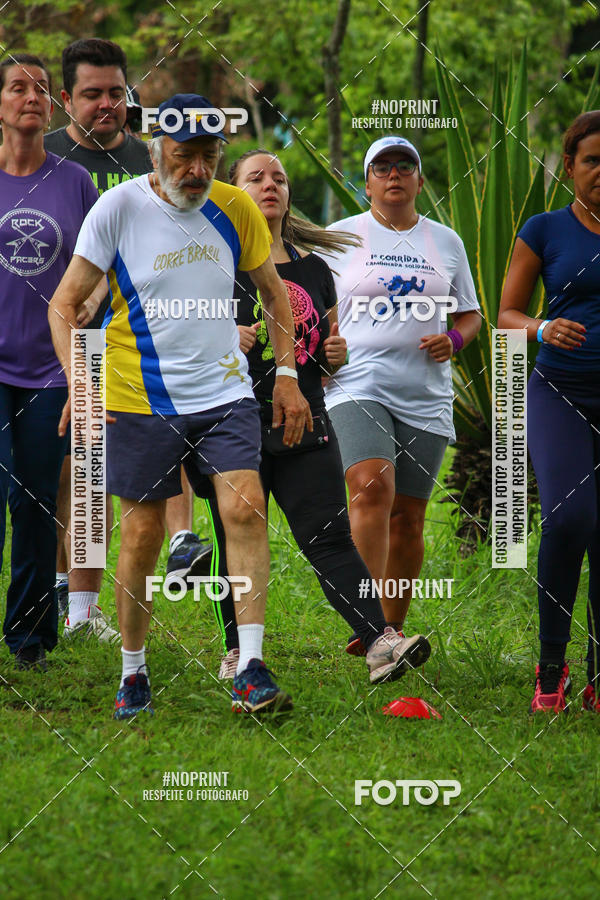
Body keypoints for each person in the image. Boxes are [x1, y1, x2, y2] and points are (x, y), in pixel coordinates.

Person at [49, 93, 313, 718]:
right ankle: (133, 671)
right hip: (137, 396)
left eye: (209, 157)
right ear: (155, 150)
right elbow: (65, 305)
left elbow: (275, 296)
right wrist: (80, 383)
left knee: (244, 508)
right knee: (142, 534)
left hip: (224, 391)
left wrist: (287, 376)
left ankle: (250, 667)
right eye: (184, 156)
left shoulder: (236, 207)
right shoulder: (117, 208)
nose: (197, 170)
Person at [207, 149, 432, 684]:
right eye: (256, 178)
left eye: (279, 179)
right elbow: (176, 331)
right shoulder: (212, 261)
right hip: (231, 419)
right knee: (235, 533)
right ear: (233, 192)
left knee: (329, 535)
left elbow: (327, 348)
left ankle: (379, 642)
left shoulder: (314, 269)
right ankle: (237, 651)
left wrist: (335, 354)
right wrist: (220, 335)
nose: (270, 185)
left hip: (303, 418)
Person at [45, 39, 210, 634]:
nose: (106, 105)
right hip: (58, 330)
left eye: (117, 92)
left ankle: (96, 600)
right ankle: (67, 592)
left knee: (118, 465)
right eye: (92, 94)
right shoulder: (47, 156)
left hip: (137, 338)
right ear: (67, 99)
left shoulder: (154, 157)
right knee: (73, 474)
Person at [320, 136, 481, 652]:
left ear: (419, 180)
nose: (394, 174)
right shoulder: (340, 237)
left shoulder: (446, 241)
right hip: (357, 381)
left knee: (408, 517)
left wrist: (454, 340)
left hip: (425, 393)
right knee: (370, 487)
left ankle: (391, 631)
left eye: (404, 166)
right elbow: (313, 306)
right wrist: (318, 355)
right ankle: (369, 624)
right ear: (366, 183)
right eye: (382, 167)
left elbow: (471, 314)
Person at [499, 111, 600, 714]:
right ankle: (552, 666)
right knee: (568, 518)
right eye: (593, 160)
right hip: (559, 391)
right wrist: (541, 327)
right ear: (570, 166)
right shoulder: (544, 229)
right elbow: (506, 314)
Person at [0, 53, 98, 669]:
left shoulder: (75, 181)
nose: (31, 96)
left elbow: (101, 265)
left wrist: (92, 301)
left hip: (51, 369)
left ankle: (30, 637)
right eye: (17, 87)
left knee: (36, 502)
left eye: (40, 88)